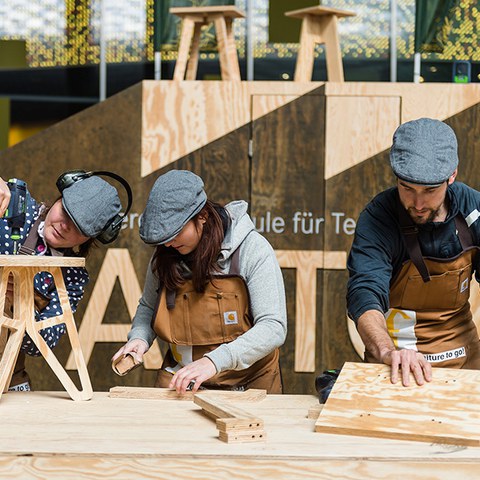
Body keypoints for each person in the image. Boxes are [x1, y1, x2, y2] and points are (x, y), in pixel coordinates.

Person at [112, 169, 287, 394]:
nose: (167, 244)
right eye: (163, 237)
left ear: (202, 216)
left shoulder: (252, 249)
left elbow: (273, 327)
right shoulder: (167, 252)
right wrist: (139, 338)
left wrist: (214, 361)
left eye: (175, 233)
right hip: (182, 381)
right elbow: (149, 306)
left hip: (250, 383)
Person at [347, 118, 480, 387]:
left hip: (464, 359)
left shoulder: (473, 209)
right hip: (397, 365)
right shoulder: (378, 217)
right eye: (407, 188)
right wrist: (386, 351)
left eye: (430, 190)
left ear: (451, 175)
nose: (417, 204)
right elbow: (365, 292)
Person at [0, 169, 131, 391]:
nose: (65, 226)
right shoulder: (16, 206)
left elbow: (40, 346)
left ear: (90, 237)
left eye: (78, 227)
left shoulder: (72, 276)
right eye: (66, 212)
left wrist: (24, 301)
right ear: (59, 199)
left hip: (8, 374)